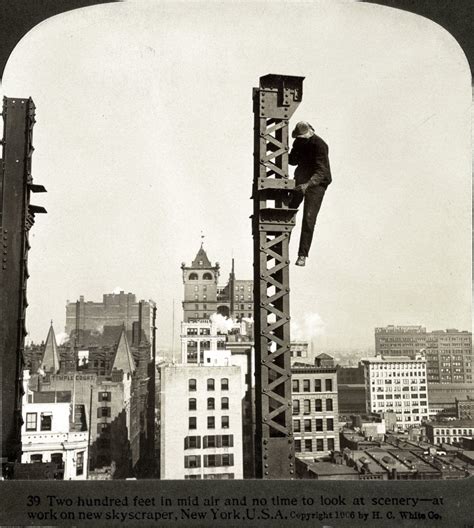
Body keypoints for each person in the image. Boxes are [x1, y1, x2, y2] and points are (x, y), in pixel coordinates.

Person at [288, 121, 332, 266]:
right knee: (288, 211)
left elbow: (322, 172)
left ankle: (302, 254)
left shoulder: (320, 145)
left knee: (308, 218)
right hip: (302, 181)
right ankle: (281, 244)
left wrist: (307, 185)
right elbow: (293, 161)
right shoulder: (299, 142)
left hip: (316, 184)